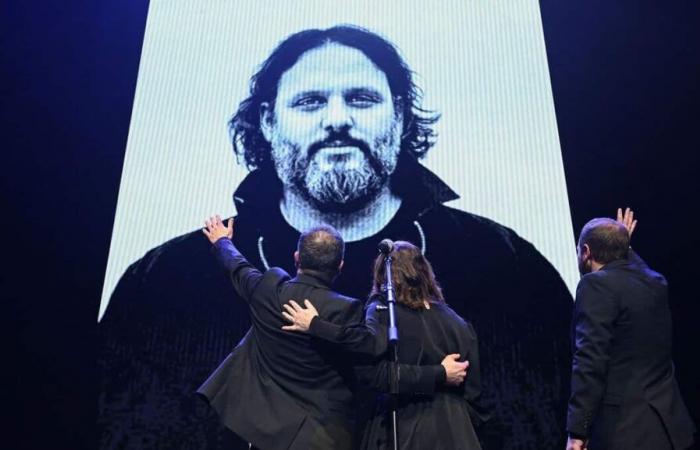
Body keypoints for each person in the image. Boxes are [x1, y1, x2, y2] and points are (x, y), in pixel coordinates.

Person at [99, 25, 573, 449]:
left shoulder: (511, 265)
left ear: (401, 115)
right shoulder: (160, 279)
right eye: (309, 102)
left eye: (362, 99)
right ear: (267, 121)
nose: (338, 119)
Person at [196, 218, 471, 450]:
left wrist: (222, 241)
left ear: (296, 258)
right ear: (340, 266)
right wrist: (438, 374)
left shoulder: (268, 290)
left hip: (262, 433)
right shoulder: (347, 310)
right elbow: (374, 364)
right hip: (320, 437)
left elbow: (238, 267)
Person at [282, 240, 486, 449]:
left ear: (382, 274)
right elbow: (476, 397)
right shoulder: (458, 323)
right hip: (458, 435)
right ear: (425, 272)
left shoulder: (382, 312)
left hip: (403, 429)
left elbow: (375, 376)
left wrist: (317, 326)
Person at [566, 208, 696, 450]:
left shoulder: (595, 285)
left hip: (626, 433)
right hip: (668, 430)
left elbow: (589, 361)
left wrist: (577, 431)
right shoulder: (655, 282)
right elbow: (638, 268)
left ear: (585, 252)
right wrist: (622, 242)